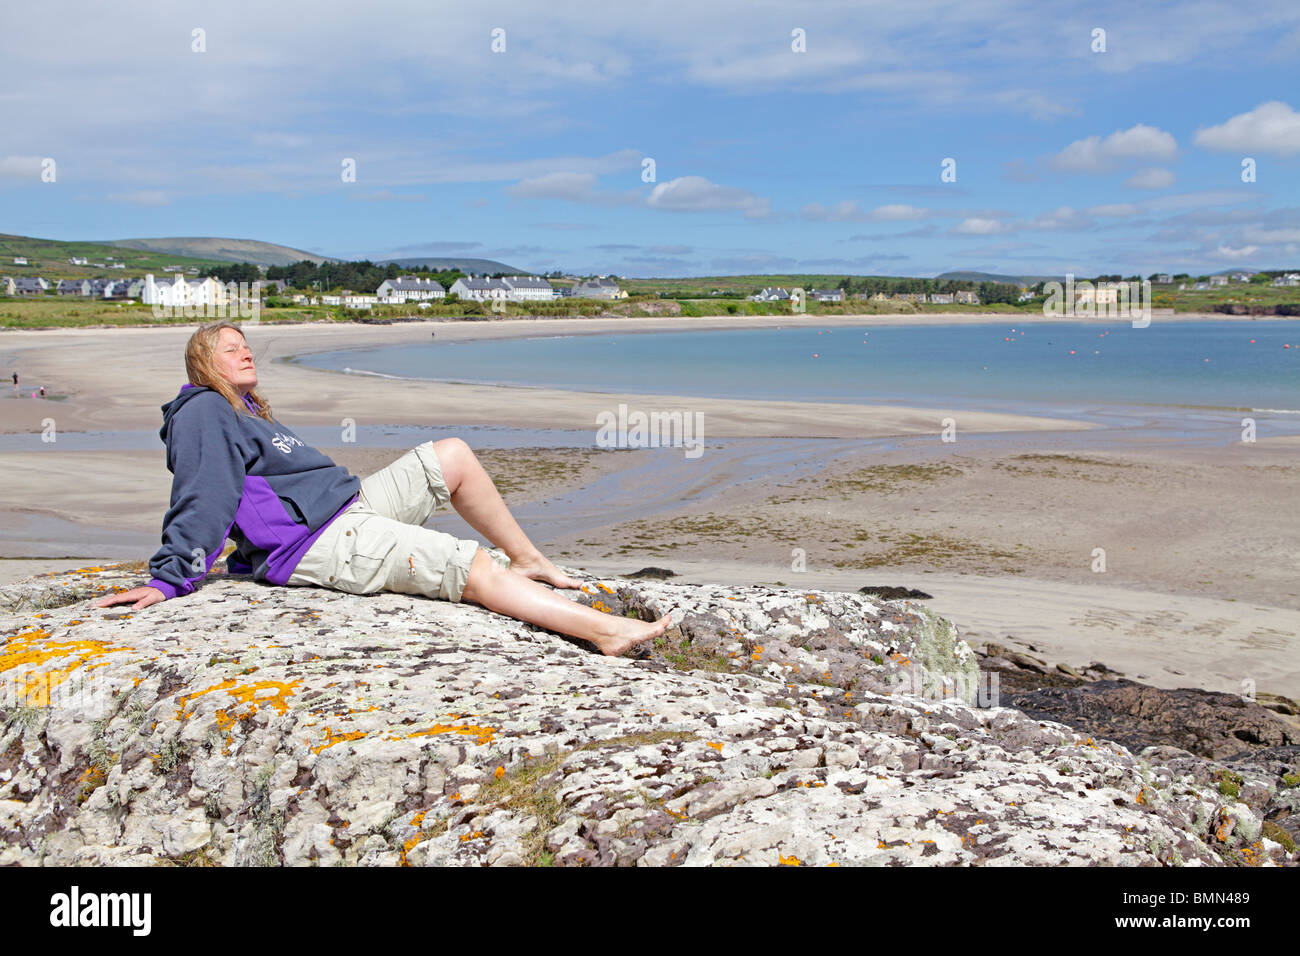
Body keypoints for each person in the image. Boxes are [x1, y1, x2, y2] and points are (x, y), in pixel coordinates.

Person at [92, 321, 671, 657]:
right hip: (316, 541)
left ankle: (529, 559)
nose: (244, 351)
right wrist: (171, 578)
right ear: (203, 364)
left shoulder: (246, 410)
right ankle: (605, 633)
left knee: (452, 457)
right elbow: (206, 493)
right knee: (465, 563)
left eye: (246, 343)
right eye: (228, 347)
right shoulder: (203, 412)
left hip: (346, 507)